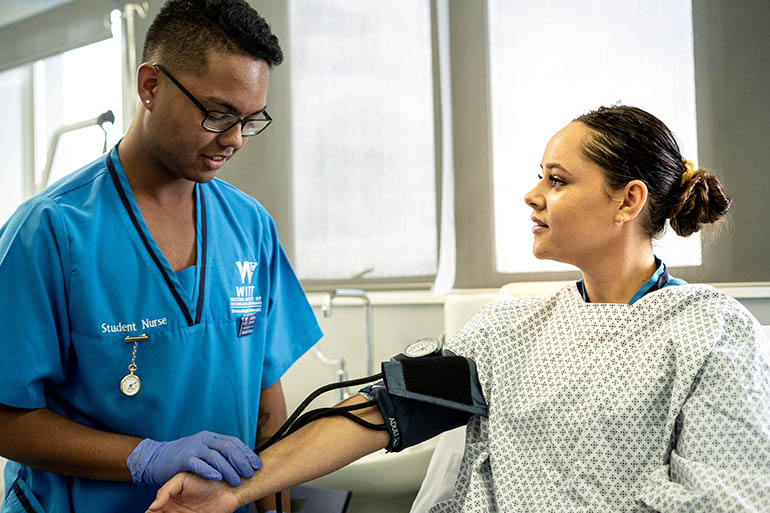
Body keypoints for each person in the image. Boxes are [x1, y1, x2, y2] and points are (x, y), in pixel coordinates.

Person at [145, 105, 770, 513]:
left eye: (557, 179)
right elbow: (384, 412)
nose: (532, 194)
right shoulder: (510, 326)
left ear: (628, 200)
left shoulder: (713, 334)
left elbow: (725, 500)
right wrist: (233, 489)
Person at [0, 1, 322, 512]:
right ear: (150, 86)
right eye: (217, 114)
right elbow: (6, 418)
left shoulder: (250, 226)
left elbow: (267, 407)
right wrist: (144, 457)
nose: (234, 139)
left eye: (250, 120)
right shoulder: (51, 231)